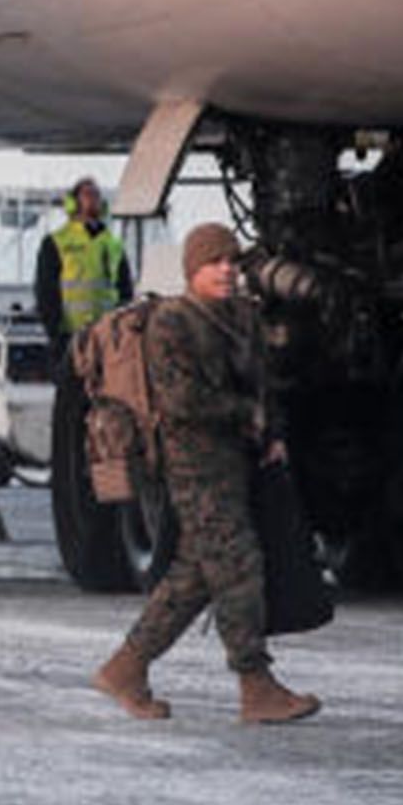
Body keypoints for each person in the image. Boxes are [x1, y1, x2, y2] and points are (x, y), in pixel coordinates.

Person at [93, 225, 321, 724]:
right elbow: (180, 399)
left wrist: (271, 431)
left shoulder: (242, 316)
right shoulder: (172, 322)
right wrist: (244, 414)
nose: (226, 271)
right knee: (238, 563)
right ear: (192, 270)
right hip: (194, 466)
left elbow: (263, 385)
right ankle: (255, 684)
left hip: (238, 461)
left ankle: (125, 668)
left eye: (231, 262)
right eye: (214, 262)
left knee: (195, 575)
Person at [34, 176, 133, 365]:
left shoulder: (114, 245)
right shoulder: (56, 242)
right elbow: (45, 291)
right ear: (73, 203)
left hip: (108, 338)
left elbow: (125, 291)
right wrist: (54, 332)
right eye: (88, 194)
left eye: (97, 195)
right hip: (69, 337)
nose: (94, 199)